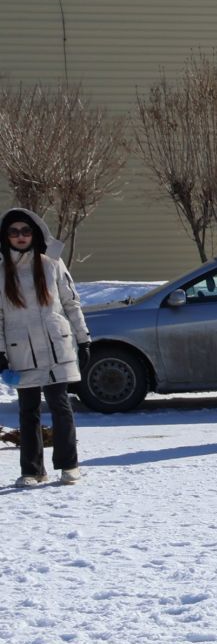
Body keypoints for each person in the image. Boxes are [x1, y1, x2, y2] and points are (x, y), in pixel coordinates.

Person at [1, 207, 88, 488]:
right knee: (28, 410)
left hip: (55, 346)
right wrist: (0, 352)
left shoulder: (52, 264)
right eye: (14, 232)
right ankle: (32, 470)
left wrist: (84, 339)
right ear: (6, 236)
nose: (20, 236)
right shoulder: (1, 272)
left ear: (35, 233)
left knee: (60, 406)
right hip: (20, 349)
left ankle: (69, 465)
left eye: (25, 231)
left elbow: (71, 303)